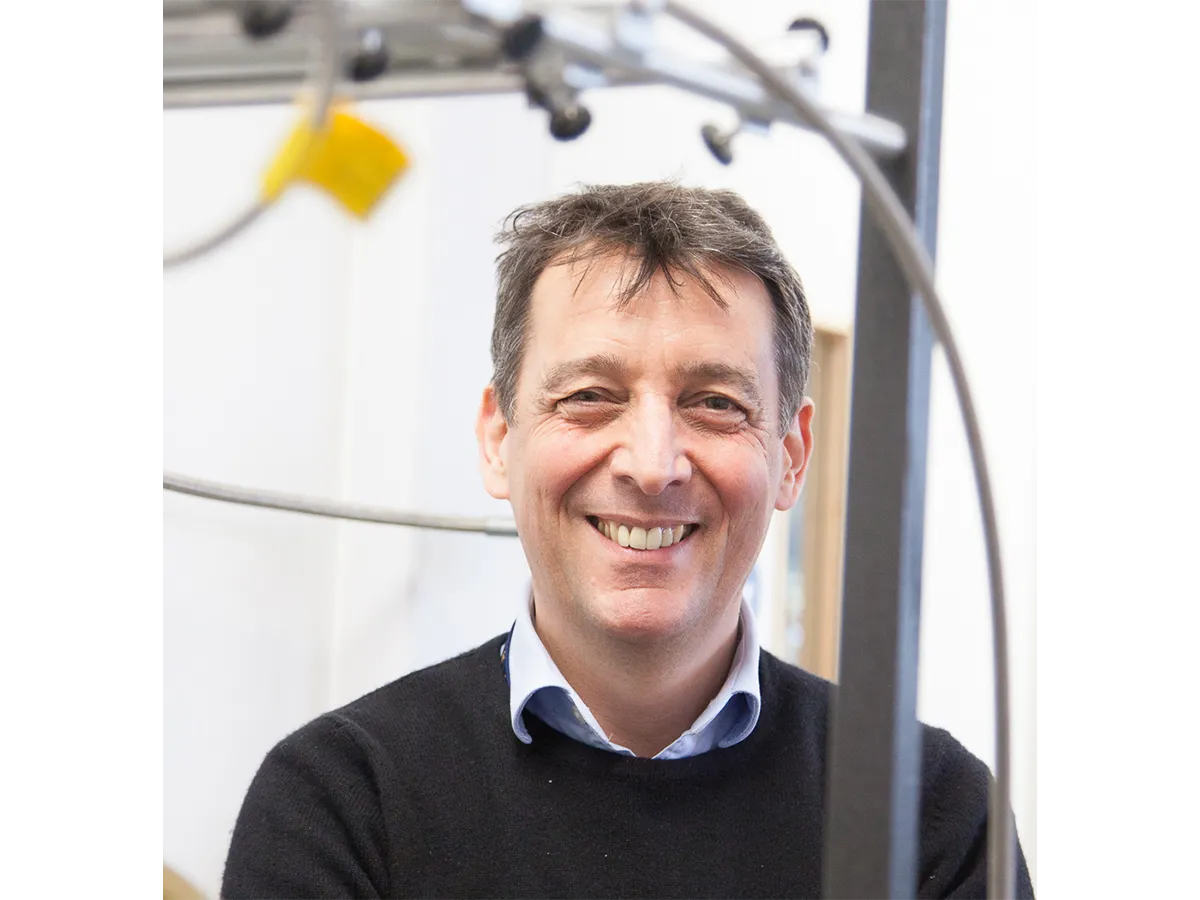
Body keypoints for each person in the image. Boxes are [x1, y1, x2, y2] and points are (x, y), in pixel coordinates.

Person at [219, 181, 1034, 899]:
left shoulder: (928, 812)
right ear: (499, 440)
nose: (652, 465)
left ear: (790, 457)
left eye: (715, 402)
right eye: (589, 395)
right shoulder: (341, 801)